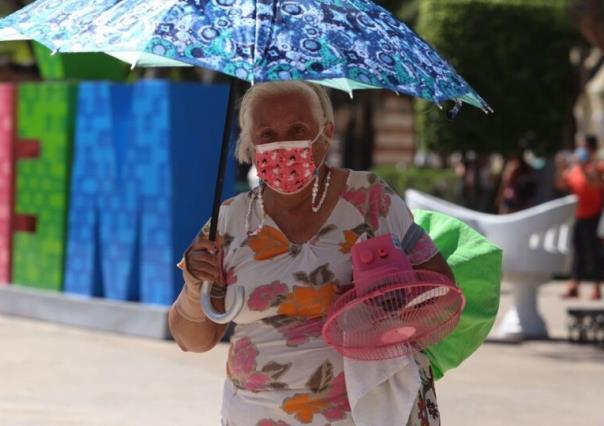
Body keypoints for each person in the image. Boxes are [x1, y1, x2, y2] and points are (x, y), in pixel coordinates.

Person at [168, 81, 455, 425]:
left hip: (364, 413)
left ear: (326, 134)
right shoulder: (229, 221)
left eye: (297, 129)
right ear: (249, 143)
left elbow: (442, 296)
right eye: (267, 133)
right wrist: (192, 287)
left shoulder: (370, 199)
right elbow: (192, 341)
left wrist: (379, 307)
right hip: (252, 414)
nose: (281, 143)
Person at [557, 135, 603, 300]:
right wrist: (561, 168)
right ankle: (574, 285)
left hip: (595, 216)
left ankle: (597, 287)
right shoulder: (574, 169)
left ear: (592, 150)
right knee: (578, 251)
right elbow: (562, 185)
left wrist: (587, 169)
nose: (580, 150)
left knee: (594, 252)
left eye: (583, 147)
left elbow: (597, 185)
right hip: (579, 215)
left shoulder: (598, 167)